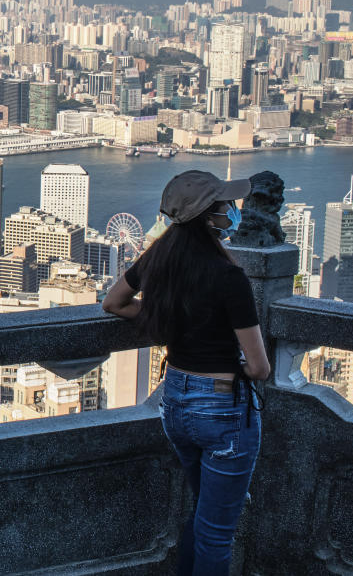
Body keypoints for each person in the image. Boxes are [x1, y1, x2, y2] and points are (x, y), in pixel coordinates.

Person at [103, 170, 271, 576]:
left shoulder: (157, 259)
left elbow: (114, 302)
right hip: (222, 408)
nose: (232, 212)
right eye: (225, 206)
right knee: (217, 534)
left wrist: (167, 319)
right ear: (209, 216)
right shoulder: (229, 277)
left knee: (203, 515)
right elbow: (260, 367)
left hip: (175, 400)